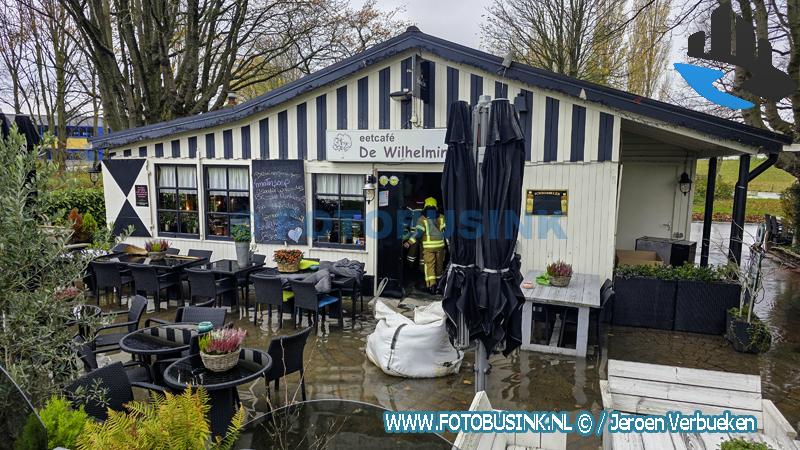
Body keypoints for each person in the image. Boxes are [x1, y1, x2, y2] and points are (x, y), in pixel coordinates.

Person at [404, 197, 446, 293]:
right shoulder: (442, 217)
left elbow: (418, 233)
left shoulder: (422, 219)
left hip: (428, 247)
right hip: (440, 246)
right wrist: (450, 245)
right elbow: (445, 232)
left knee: (429, 266)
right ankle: (440, 285)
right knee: (439, 265)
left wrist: (409, 242)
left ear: (425, 206)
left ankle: (432, 286)